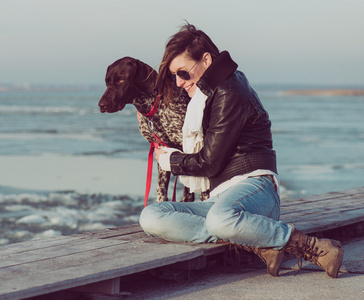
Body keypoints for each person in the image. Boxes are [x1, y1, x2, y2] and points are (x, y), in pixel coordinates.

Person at [139, 23, 344, 278]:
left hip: (255, 187)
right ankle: (258, 243)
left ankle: (312, 247)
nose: (179, 83)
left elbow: (210, 162)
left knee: (219, 221)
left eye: (183, 73)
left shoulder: (229, 90)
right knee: (152, 216)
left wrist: (173, 160)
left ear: (206, 59)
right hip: (220, 196)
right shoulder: (205, 96)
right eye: (174, 77)